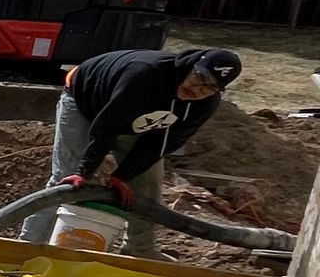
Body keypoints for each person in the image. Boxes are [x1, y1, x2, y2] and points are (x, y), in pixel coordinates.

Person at [20, 46, 244, 256]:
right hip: (85, 99)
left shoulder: (205, 104)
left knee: (148, 184)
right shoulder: (145, 75)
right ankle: (27, 244)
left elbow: (164, 143)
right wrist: (84, 170)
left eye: (208, 88)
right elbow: (106, 126)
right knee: (66, 178)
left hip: (135, 115)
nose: (196, 90)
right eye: (199, 78)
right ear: (190, 67)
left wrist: (122, 175)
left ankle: (140, 249)